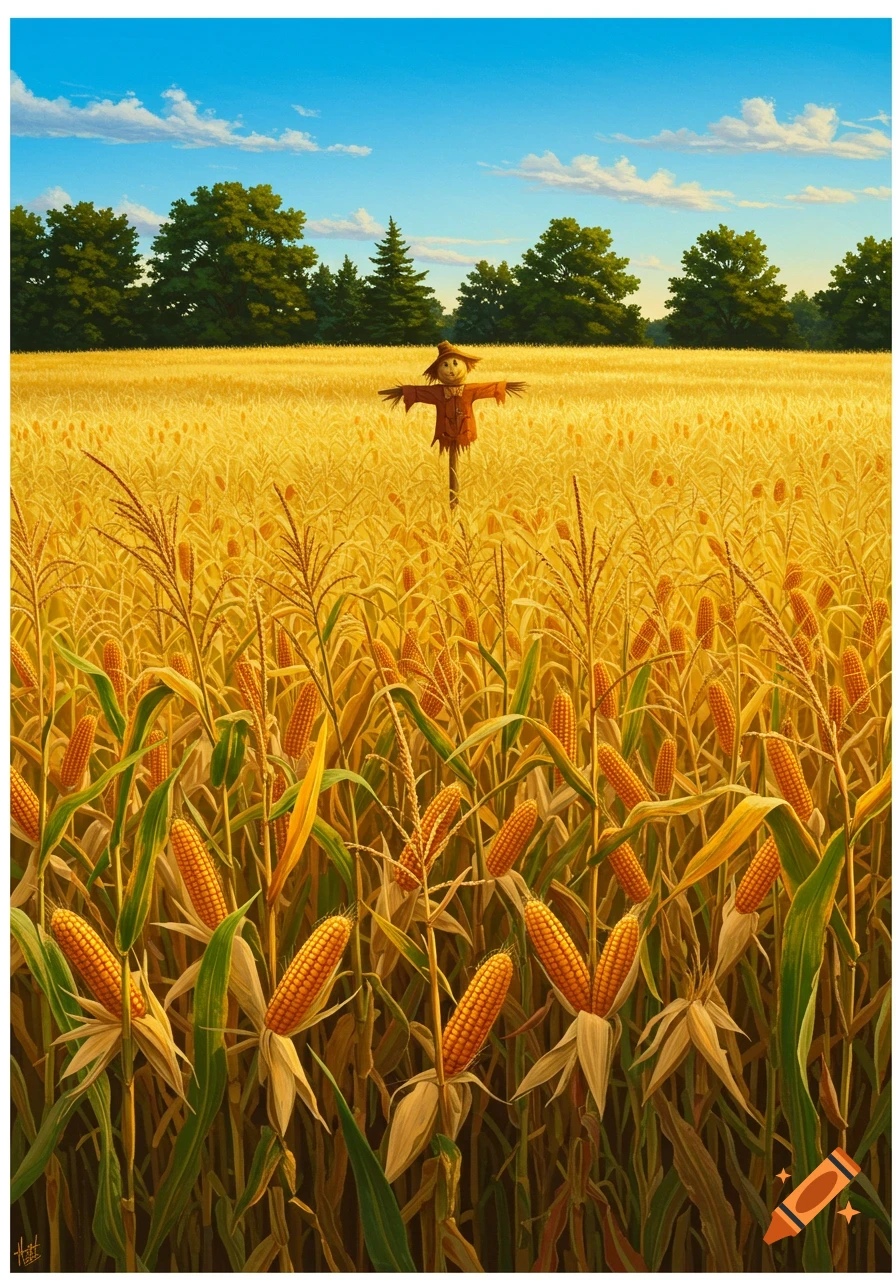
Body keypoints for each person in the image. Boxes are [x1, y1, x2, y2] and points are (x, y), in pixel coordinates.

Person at [379, 342, 526, 508]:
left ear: (465, 365)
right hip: (445, 433)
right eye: (445, 365)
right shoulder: (437, 392)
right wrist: (403, 391)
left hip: (465, 431)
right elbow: (418, 391)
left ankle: (455, 507)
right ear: (438, 371)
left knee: (455, 473)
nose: (451, 369)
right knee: (452, 472)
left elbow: (490, 387)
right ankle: (453, 507)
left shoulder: (470, 390)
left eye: (455, 363)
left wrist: (504, 386)